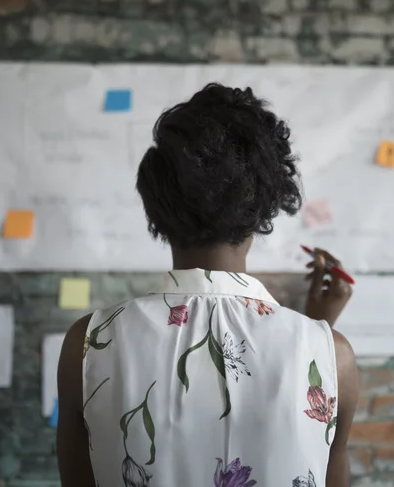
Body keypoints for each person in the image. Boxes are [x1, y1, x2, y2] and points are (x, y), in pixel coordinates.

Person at [56, 83, 357, 486]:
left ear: (156, 205)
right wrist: (315, 332)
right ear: (263, 207)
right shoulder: (332, 355)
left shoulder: (87, 344)